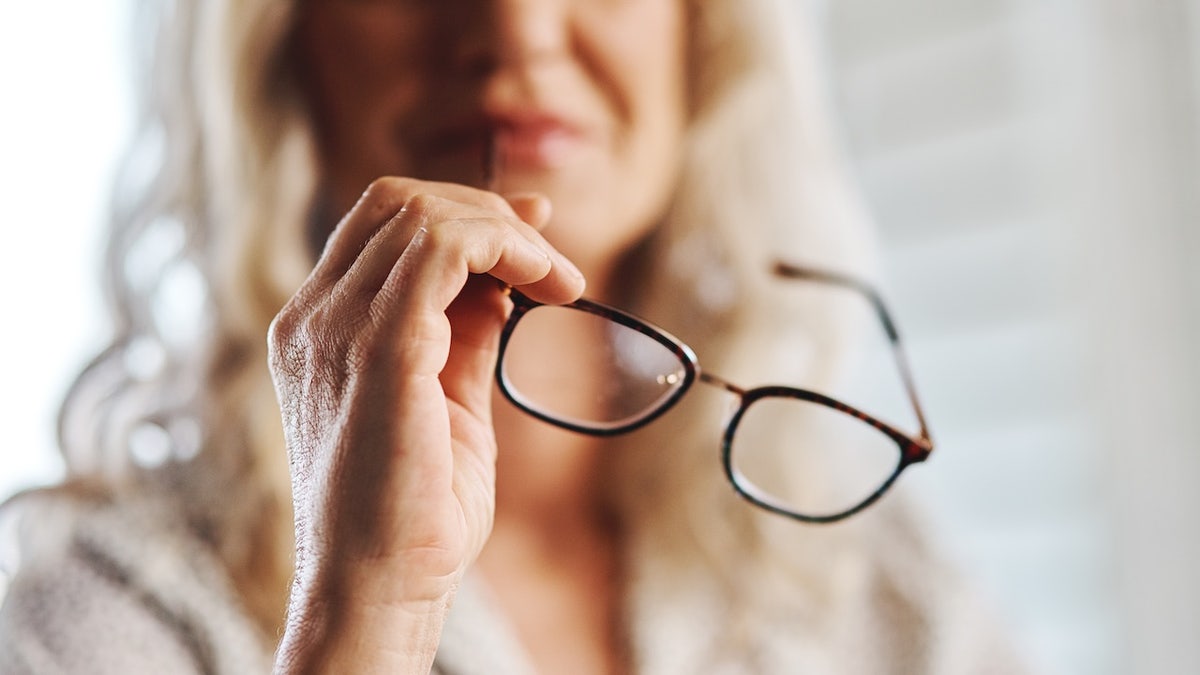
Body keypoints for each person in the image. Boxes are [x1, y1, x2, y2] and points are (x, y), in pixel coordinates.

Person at [0, 0, 1025, 673]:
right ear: (280, 47)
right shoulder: (101, 621)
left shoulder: (870, 586)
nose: (519, 31)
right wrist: (362, 613)